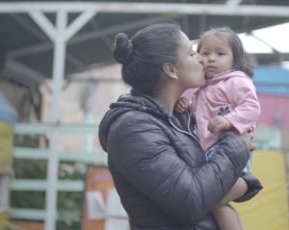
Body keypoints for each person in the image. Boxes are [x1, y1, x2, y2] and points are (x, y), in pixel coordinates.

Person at [98, 23, 263, 230]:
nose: (203, 60)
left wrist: (244, 181)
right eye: (193, 53)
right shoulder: (133, 128)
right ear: (171, 69)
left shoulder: (180, 118)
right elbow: (191, 200)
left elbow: (208, 176)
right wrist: (235, 144)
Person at [175, 27, 261, 230]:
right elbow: (196, 119)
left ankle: (244, 184)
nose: (211, 58)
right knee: (216, 204)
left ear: (236, 60)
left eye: (220, 53)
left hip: (229, 149)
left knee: (212, 201)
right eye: (205, 53)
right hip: (211, 153)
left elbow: (252, 107)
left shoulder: (236, 81)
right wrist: (185, 107)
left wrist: (230, 120)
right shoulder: (201, 89)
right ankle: (243, 186)